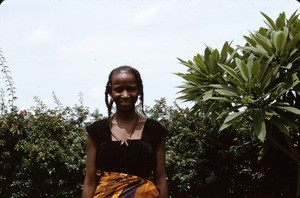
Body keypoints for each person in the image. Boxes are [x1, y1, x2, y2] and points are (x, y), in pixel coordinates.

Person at [82, 66, 169, 198]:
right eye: (118, 89)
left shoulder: (154, 130)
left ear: (139, 91)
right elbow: (90, 180)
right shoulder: (96, 131)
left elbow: (161, 179)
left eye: (131, 88)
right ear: (110, 93)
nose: (125, 94)